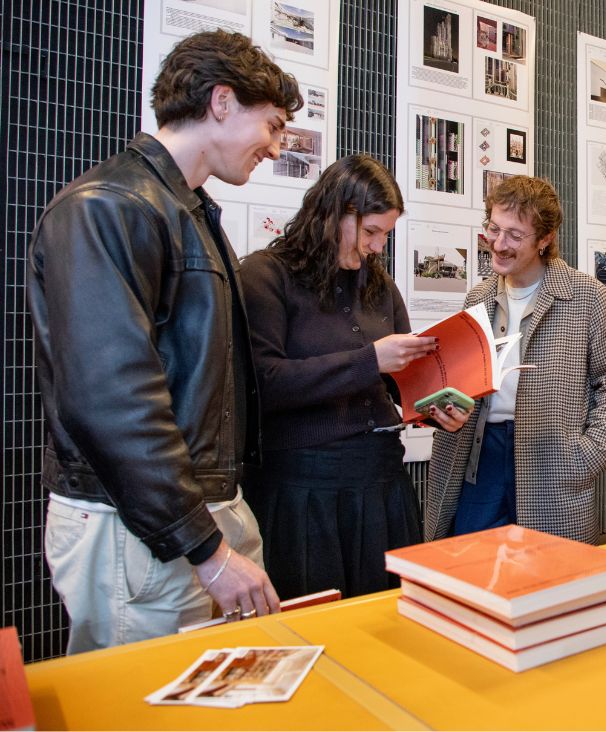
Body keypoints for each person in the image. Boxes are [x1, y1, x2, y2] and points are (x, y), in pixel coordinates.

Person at [27, 30, 302, 652]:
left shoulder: (185, 209)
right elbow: (111, 401)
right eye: (274, 125)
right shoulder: (112, 206)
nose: (276, 146)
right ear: (224, 102)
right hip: (137, 525)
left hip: (186, 513)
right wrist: (204, 548)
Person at [240, 155, 468, 600]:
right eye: (370, 232)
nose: (378, 246)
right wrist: (369, 360)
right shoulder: (266, 276)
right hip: (303, 492)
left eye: (385, 234)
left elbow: (400, 381)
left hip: (382, 484)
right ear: (333, 214)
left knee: (390, 623)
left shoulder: (378, 285)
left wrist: (435, 409)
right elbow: (263, 383)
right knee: (315, 625)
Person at [426, 176, 606, 544]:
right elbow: (459, 378)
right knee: (472, 574)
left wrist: (586, 457)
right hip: (478, 458)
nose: (498, 244)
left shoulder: (587, 297)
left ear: (545, 238)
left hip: (553, 462)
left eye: (514, 235)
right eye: (493, 228)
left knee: (549, 579)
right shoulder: (478, 297)